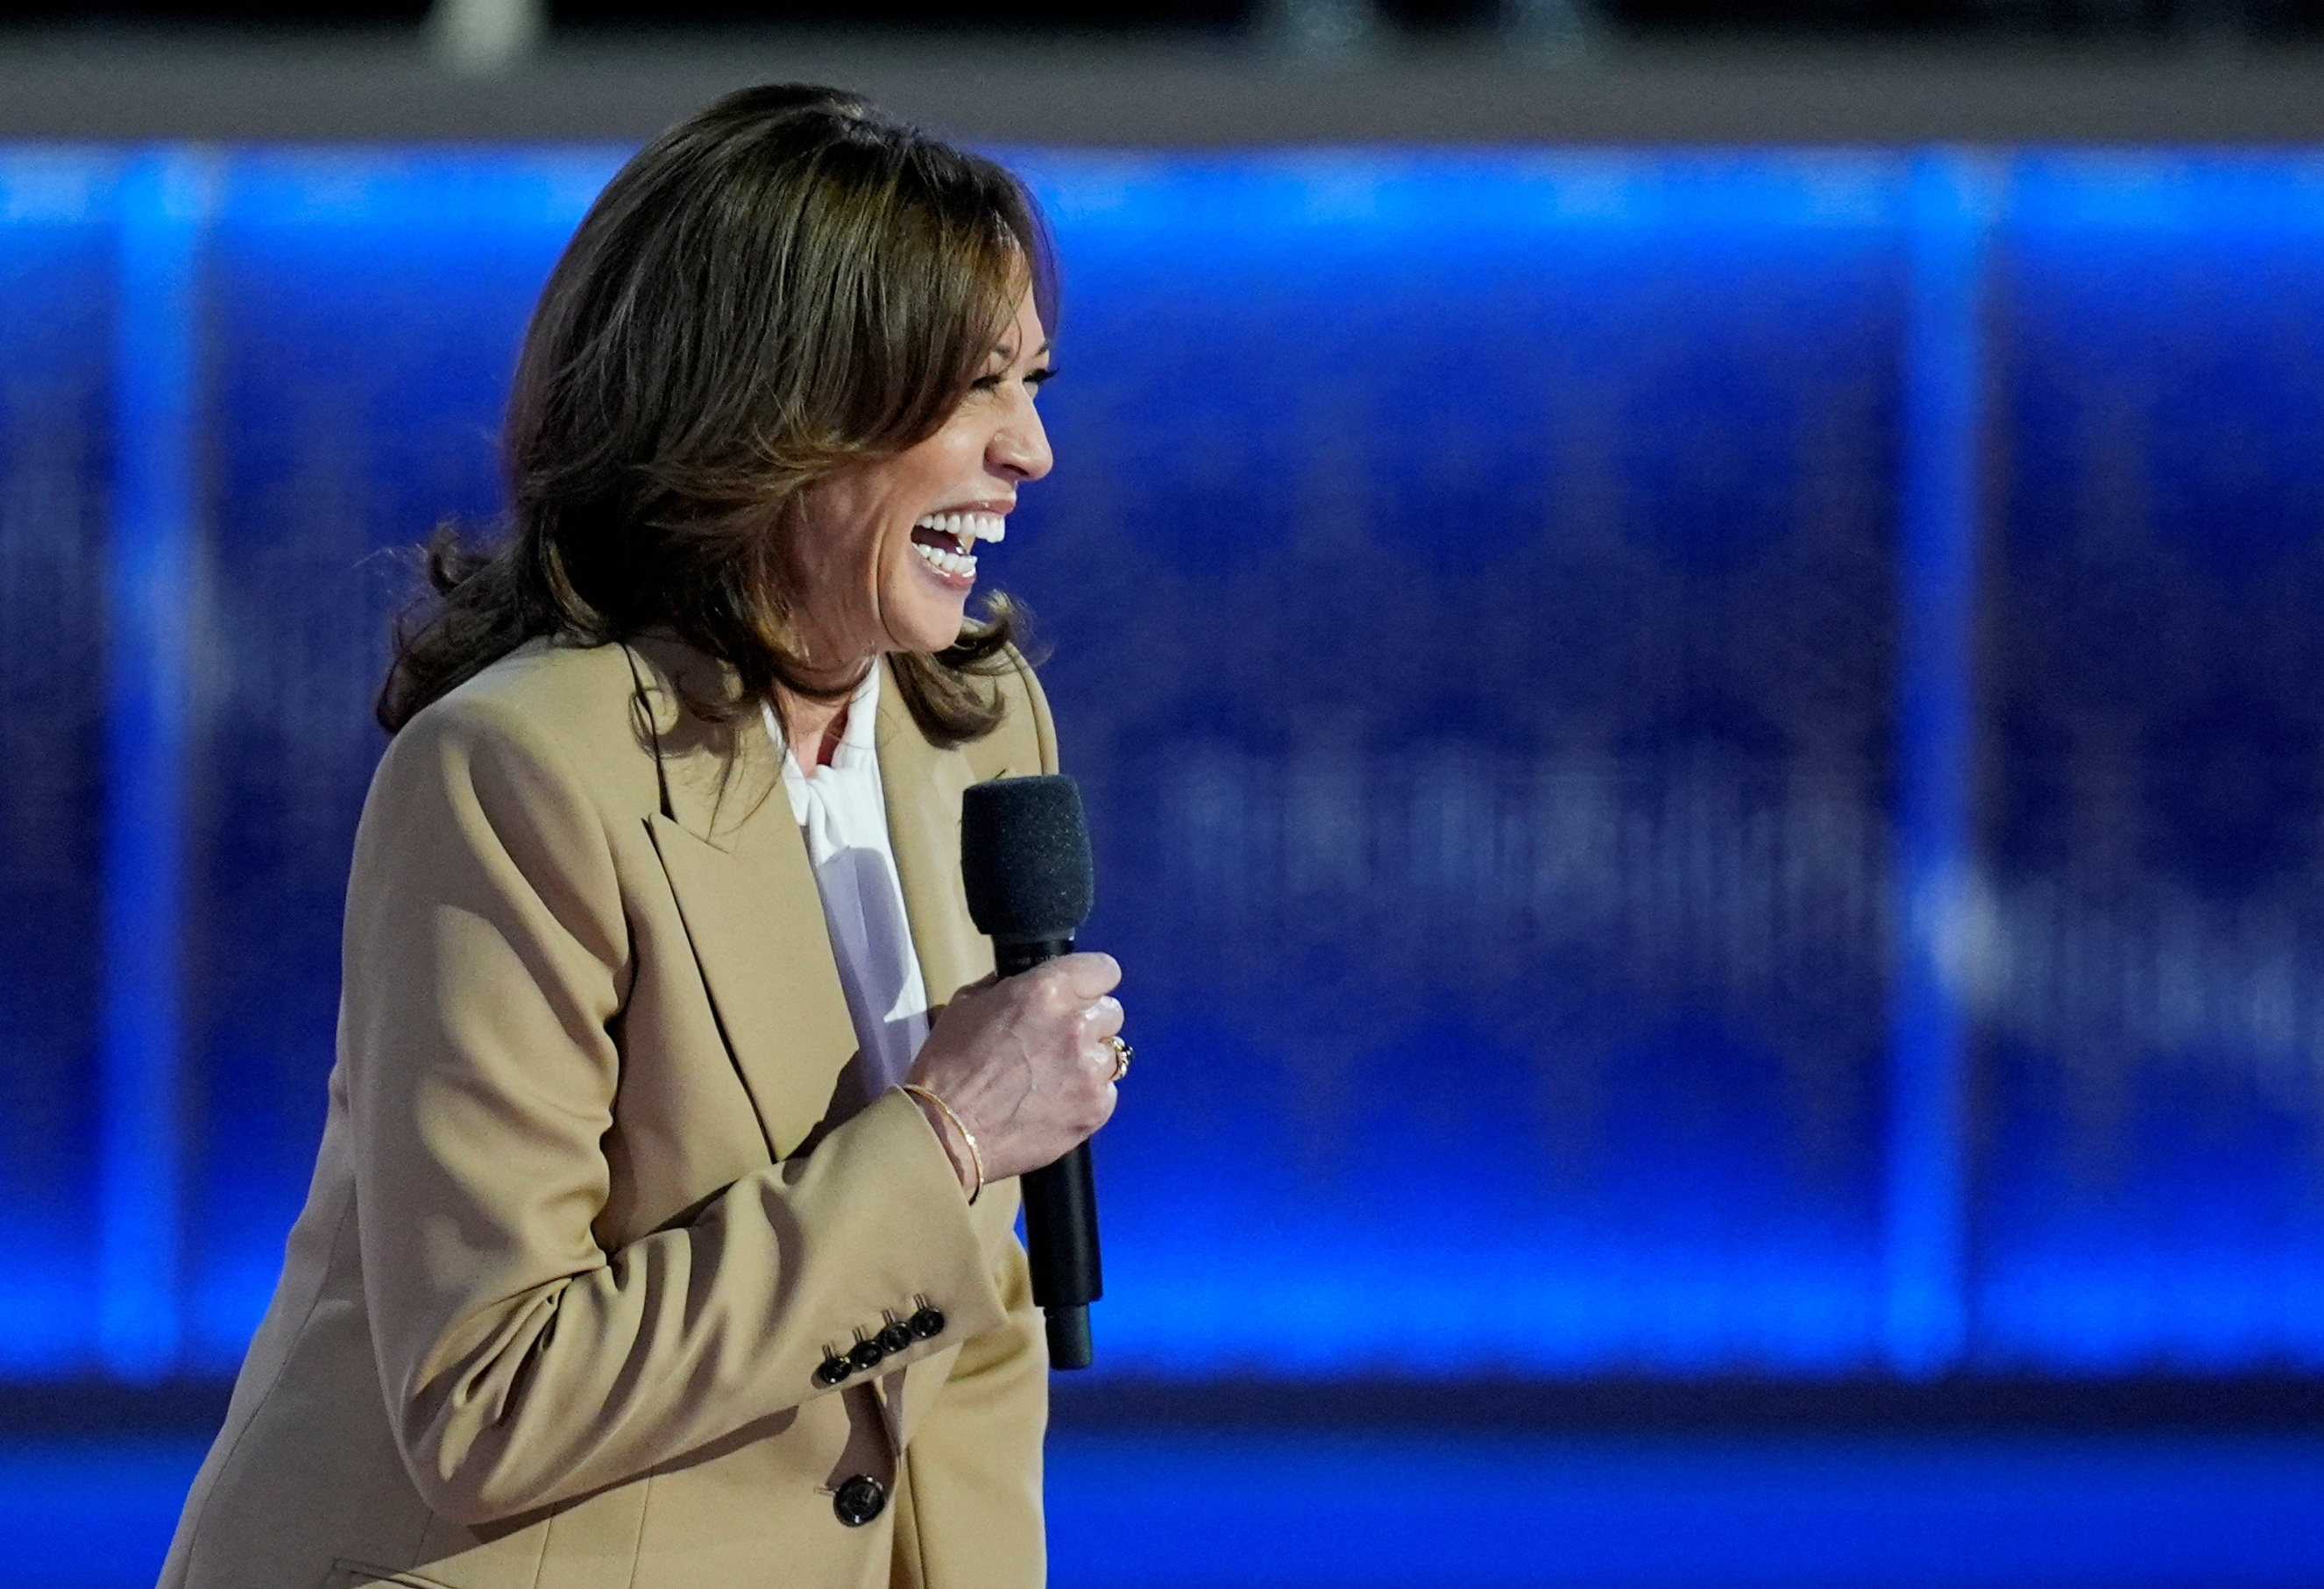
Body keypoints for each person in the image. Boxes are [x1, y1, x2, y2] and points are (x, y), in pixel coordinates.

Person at [159, 84, 1126, 1589]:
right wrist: (940, 1139)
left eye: (1036, 381)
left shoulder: (976, 729)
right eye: (973, 388)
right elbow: (490, 1396)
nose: (1033, 451)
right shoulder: (515, 775)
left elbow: (966, 1348)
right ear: (780, 409)